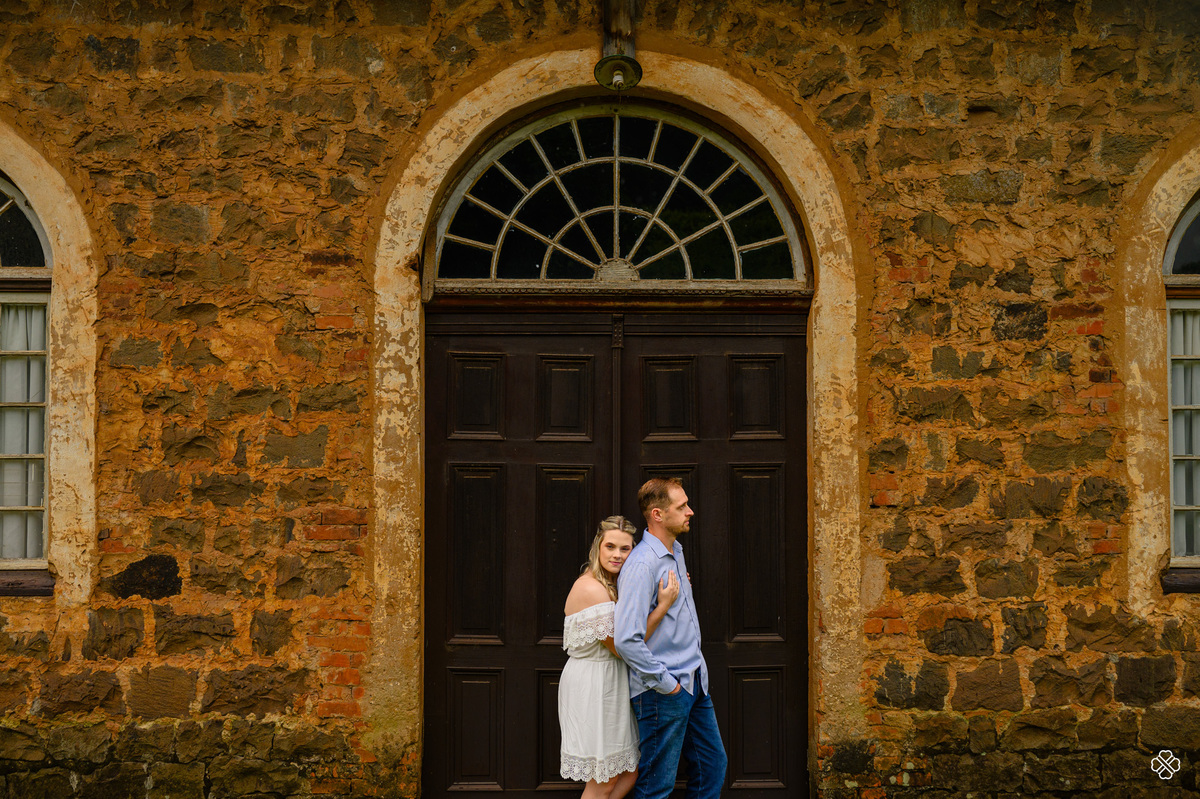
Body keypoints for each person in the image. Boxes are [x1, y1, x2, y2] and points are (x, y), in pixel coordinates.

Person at [614, 478, 728, 799]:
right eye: (682, 507)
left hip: (695, 684)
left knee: (712, 766)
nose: (690, 511)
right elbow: (626, 640)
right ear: (658, 514)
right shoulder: (641, 565)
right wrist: (667, 685)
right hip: (663, 691)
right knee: (656, 787)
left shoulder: (675, 551)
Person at [560, 516, 681, 797]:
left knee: (628, 773)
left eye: (624, 549)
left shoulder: (612, 583)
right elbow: (622, 646)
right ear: (597, 548)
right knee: (603, 781)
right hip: (593, 686)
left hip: (611, 682)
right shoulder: (591, 588)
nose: (617, 555)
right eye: (610, 546)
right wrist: (663, 607)